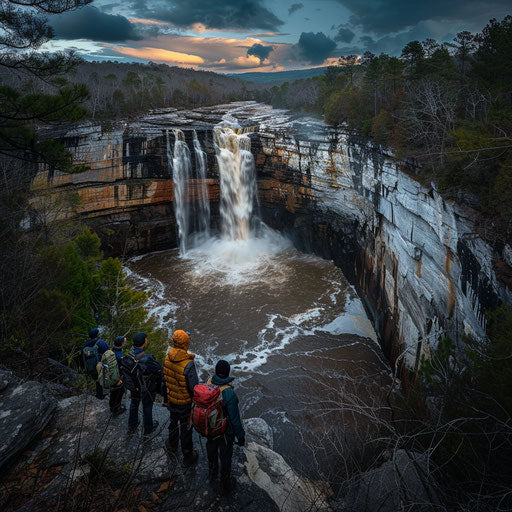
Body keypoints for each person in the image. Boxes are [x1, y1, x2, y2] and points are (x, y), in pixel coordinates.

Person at [206, 360, 245, 492]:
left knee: (211, 451)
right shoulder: (229, 393)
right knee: (225, 456)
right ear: (227, 373)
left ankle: (212, 474)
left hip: (209, 429)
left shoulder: (208, 383)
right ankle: (225, 482)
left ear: (216, 371)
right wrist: (240, 436)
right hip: (224, 433)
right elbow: (234, 419)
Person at [162, 329, 199, 466]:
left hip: (172, 398)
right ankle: (188, 453)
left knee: (173, 422)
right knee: (186, 427)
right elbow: (193, 387)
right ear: (185, 344)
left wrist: (167, 397)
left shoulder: (167, 357)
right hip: (185, 402)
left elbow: (164, 378)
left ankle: (172, 445)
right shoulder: (188, 364)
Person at [126, 332, 163, 436]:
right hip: (146, 387)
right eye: (146, 339)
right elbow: (159, 369)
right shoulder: (147, 358)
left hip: (134, 386)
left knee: (134, 404)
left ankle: (132, 425)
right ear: (144, 343)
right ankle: (148, 428)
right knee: (147, 406)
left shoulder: (130, 354)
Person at [83, 328, 108, 399]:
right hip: (100, 366)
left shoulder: (85, 345)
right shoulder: (101, 343)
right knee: (102, 380)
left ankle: (98, 394)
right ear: (97, 334)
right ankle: (101, 395)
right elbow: (107, 353)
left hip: (90, 367)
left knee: (97, 380)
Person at [109, 335, 126, 415]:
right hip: (117, 378)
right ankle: (116, 409)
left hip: (112, 376)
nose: (125, 341)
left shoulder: (112, 350)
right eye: (124, 341)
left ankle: (112, 406)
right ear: (121, 343)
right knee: (119, 392)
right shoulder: (119, 355)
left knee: (114, 393)